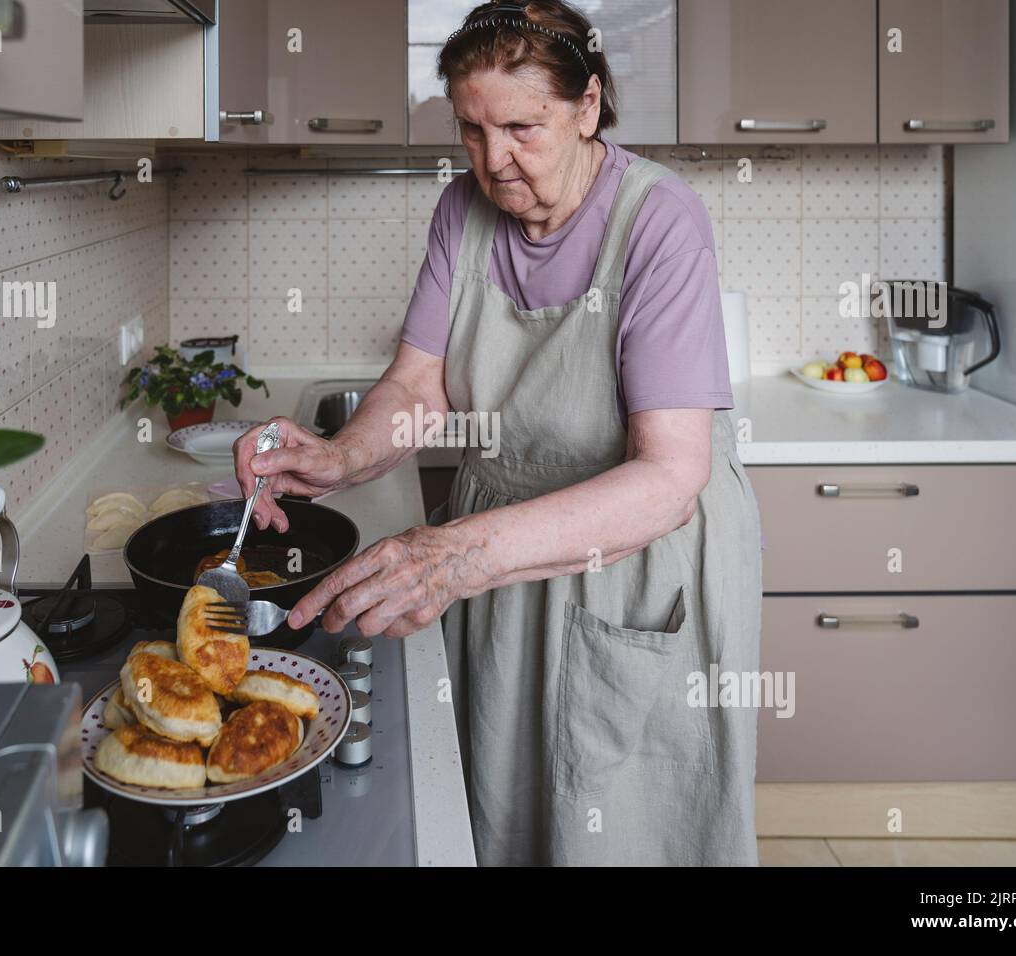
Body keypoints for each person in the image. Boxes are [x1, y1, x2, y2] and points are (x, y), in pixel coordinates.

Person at [233, 0, 762, 866]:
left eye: (523, 127)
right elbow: (419, 383)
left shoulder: (660, 220)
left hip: (631, 564)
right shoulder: (462, 209)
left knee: (624, 824)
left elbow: (670, 476)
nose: (495, 160)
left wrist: (451, 556)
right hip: (500, 547)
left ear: (588, 105)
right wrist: (338, 458)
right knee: (505, 804)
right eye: (472, 130)